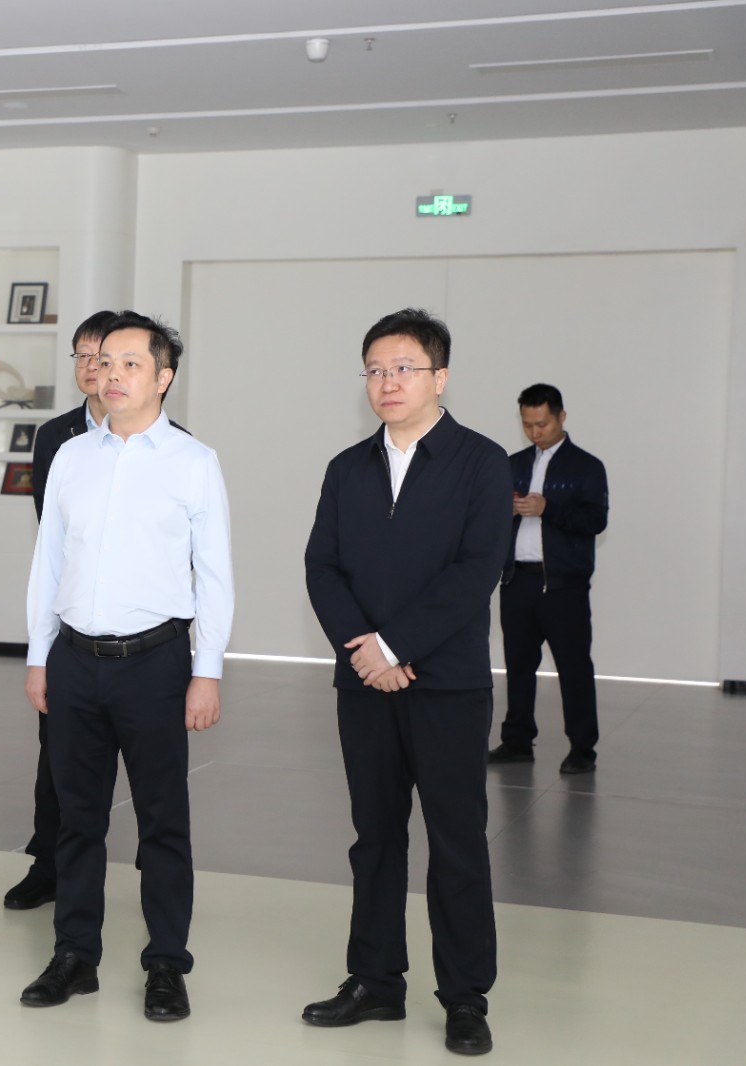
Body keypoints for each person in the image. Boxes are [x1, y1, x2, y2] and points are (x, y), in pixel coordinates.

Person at [302, 308, 510, 1057]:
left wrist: (393, 645)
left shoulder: (482, 463)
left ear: (440, 377)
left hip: (447, 684)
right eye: (376, 370)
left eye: (404, 369)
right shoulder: (346, 468)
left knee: (456, 842)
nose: (387, 383)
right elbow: (322, 566)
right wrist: (368, 654)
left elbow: (476, 571)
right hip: (364, 686)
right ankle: (375, 981)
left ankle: (465, 996)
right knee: (376, 838)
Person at [20, 311, 233, 1023]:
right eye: (104, 362)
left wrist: (207, 670)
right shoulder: (71, 456)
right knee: (76, 819)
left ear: (163, 377)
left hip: (156, 664)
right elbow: (49, 562)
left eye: (130, 364)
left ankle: (166, 963)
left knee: (162, 822)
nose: (111, 374)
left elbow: (215, 574)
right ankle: (74, 955)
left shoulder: (193, 462)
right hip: (74, 660)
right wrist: (38, 656)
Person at [3, 310, 118, 911]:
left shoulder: (168, 438)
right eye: (82, 355)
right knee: (58, 754)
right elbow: (55, 534)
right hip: (70, 617)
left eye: (104, 355)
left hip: (140, 627)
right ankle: (47, 865)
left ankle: (154, 874)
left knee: (148, 767)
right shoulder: (55, 437)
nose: (92, 367)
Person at [489, 384, 609, 775]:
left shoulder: (586, 467)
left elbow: (595, 520)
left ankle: (582, 749)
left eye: (542, 424)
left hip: (563, 585)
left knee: (573, 668)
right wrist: (504, 510)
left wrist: (547, 508)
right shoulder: (513, 464)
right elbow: (487, 519)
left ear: (561, 417)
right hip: (517, 581)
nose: (535, 432)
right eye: (527, 425)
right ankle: (517, 740)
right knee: (518, 665)